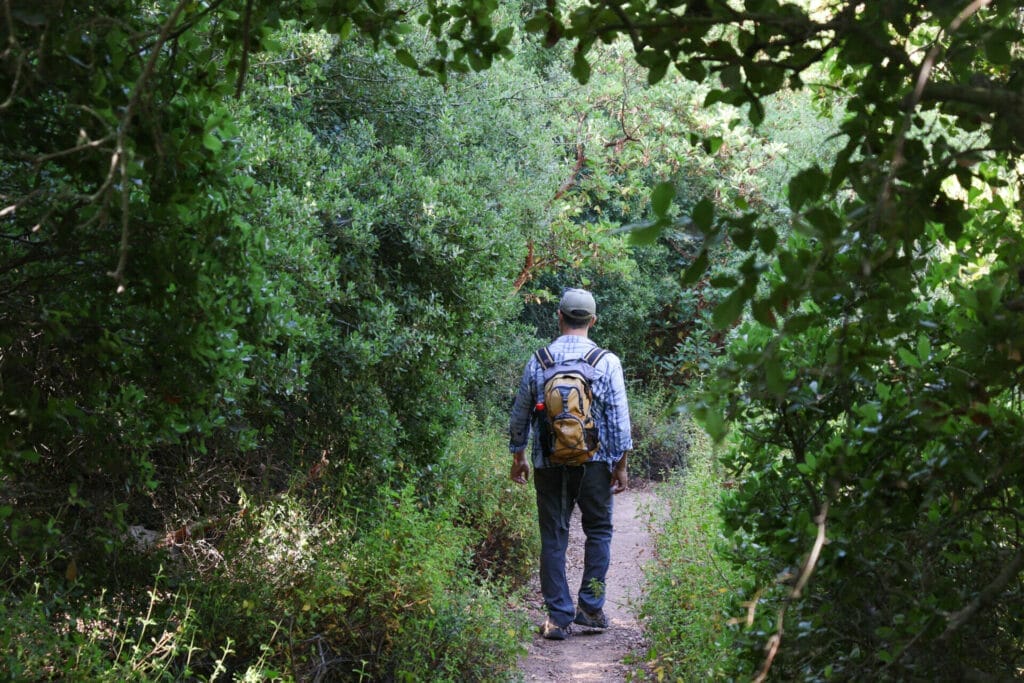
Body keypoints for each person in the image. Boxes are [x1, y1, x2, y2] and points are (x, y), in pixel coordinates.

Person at [508, 287, 632, 640]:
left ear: (559, 317)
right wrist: (620, 466)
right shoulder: (606, 361)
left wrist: (519, 456)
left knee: (554, 536)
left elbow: (520, 416)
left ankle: (558, 618)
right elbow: (620, 422)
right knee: (598, 531)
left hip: (548, 462)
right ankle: (591, 609)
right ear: (592, 321)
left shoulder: (539, 360)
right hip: (595, 462)